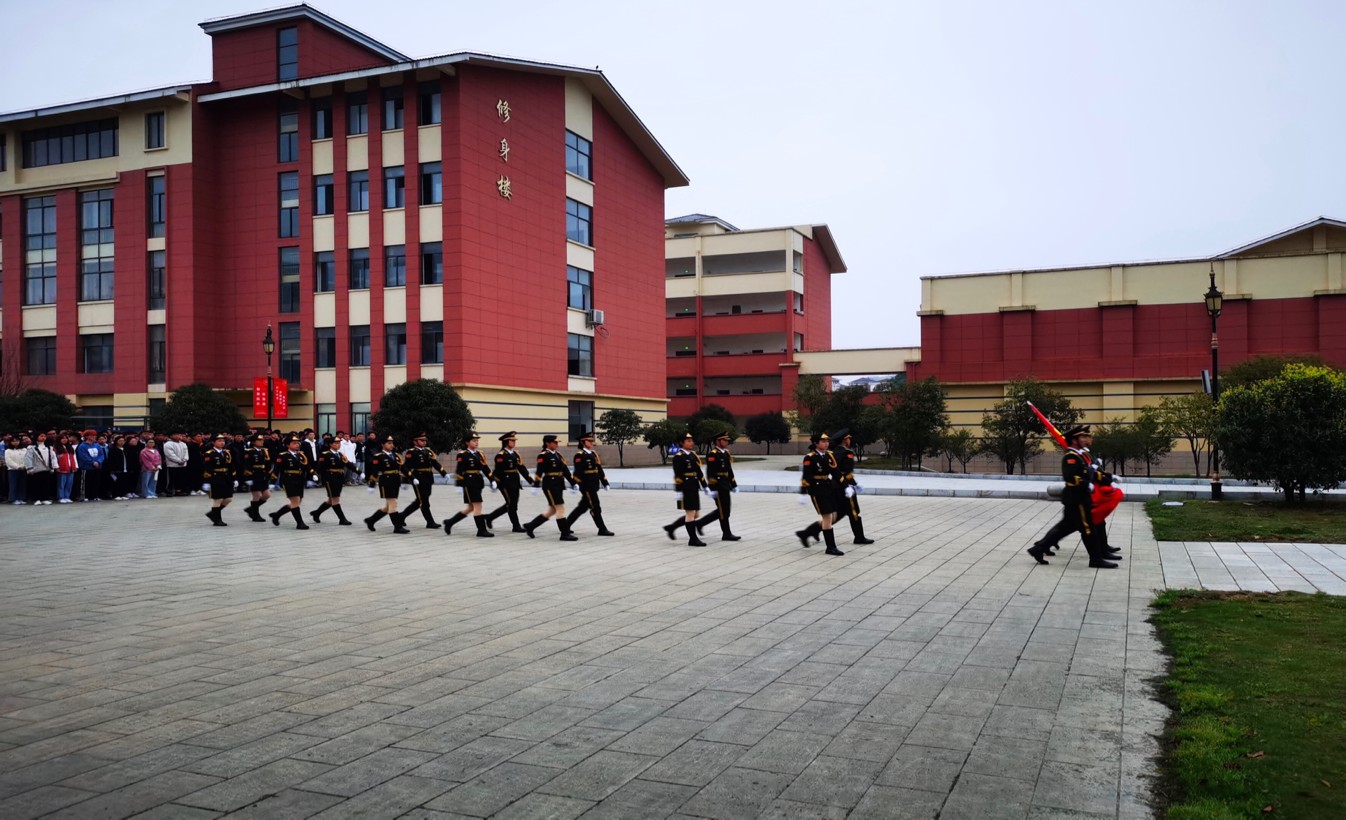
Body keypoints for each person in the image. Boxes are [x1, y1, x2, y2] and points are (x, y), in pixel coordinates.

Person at [1028, 426, 1117, 569]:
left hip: (1077, 498)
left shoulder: (1080, 455)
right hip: (1077, 498)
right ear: (1074, 440)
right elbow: (1070, 477)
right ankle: (1096, 559)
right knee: (1088, 528)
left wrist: (1108, 479)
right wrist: (1086, 484)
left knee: (1065, 527)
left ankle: (1038, 548)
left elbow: (1088, 472)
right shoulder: (1071, 457)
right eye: (1082, 437)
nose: (1086, 439)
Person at [795, 433, 845, 556]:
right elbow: (806, 476)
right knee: (827, 518)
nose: (826, 443)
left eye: (827, 441)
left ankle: (805, 533)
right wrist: (803, 493)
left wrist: (846, 486)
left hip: (828, 488)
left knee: (833, 516)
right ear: (816, 443)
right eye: (823, 441)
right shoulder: (810, 457)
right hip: (817, 490)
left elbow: (836, 472)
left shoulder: (829, 455)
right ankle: (831, 547)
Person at [523, 435, 579, 540]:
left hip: (559, 484)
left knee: (552, 510)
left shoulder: (558, 455)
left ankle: (530, 526)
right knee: (560, 508)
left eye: (557, 442)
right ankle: (564, 534)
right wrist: (536, 485)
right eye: (554, 442)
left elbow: (565, 470)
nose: (557, 444)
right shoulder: (543, 455)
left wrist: (573, 483)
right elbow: (539, 471)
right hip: (550, 485)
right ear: (547, 443)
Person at [443, 432, 494, 537]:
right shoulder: (462, 454)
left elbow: (485, 468)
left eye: (477, 440)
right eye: (474, 441)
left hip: (478, 482)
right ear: (467, 442)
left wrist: (492, 480)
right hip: (469, 482)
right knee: (478, 505)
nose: (476, 442)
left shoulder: (479, 454)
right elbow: (459, 470)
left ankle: (450, 522)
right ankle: (481, 530)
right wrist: (459, 485)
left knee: (471, 507)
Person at [662, 432, 709, 547]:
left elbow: (699, 472)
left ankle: (672, 527)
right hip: (685, 487)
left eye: (691, 440)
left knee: (696, 514)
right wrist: (678, 491)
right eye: (688, 441)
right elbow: (678, 476)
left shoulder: (693, 455)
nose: (691, 443)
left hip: (694, 486)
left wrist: (705, 486)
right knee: (690, 513)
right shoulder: (679, 457)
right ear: (681, 443)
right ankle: (693, 539)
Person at [565, 431, 614, 536]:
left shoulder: (593, 454)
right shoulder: (579, 456)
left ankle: (565, 526)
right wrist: (575, 484)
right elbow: (577, 472)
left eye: (592, 440)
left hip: (594, 485)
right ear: (583, 442)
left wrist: (605, 482)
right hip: (586, 486)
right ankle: (602, 529)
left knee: (582, 507)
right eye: (589, 441)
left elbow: (599, 469)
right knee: (595, 506)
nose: (592, 442)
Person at [694, 431, 741, 541]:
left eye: (727, 440)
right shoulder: (713, 454)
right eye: (724, 440)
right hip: (718, 486)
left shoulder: (726, 454)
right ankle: (726, 534)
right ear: (717, 441)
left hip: (725, 484)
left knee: (725, 510)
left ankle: (700, 523)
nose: (727, 442)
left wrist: (734, 484)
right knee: (723, 510)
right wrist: (713, 487)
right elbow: (710, 473)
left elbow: (729, 470)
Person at [485, 432, 535, 533]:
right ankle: (516, 526)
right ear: (506, 442)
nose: (514, 442)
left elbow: (522, 468)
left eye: (514, 440)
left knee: (512, 504)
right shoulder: (501, 455)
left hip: (515, 482)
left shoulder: (515, 454)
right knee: (511, 504)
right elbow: (497, 471)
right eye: (512, 440)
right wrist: (494, 482)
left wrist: (531, 481)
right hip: (505, 483)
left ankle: (490, 517)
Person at [397, 432, 448, 530]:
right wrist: (405, 480)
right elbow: (406, 467)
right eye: (421, 440)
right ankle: (430, 522)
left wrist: (444, 473)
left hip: (428, 478)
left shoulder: (428, 451)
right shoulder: (411, 452)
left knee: (420, 501)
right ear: (415, 442)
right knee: (423, 501)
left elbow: (435, 463)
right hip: (418, 478)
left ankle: (401, 516)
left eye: (425, 440)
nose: (424, 442)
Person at [831, 429, 874, 545]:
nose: (850, 440)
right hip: (845, 487)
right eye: (848, 438)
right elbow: (843, 472)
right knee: (854, 511)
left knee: (839, 513)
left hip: (838, 485)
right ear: (845, 440)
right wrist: (851, 485)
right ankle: (859, 537)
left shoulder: (835, 452)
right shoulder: (846, 453)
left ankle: (810, 531)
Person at [365, 435, 409, 533]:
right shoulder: (378, 456)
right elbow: (374, 471)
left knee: (388, 506)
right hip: (386, 481)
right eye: (389, 443)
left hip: (395, 481)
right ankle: (397, 527)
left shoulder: (396, 455)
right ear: (383, 445)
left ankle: (371, 520)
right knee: (393, 503)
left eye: (392, 443)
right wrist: (372, 484)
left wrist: (408, 479)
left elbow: (403, 468)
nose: (391, 445)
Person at [269, 435, 312, 529]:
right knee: (295, 501)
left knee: (297, 502)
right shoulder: (283, 455)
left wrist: (312, 475)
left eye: (298, 443)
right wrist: (272, 482)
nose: (297, 445)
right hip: (289, 480)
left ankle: (277, 515)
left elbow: (306, 466)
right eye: (294, 443)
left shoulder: (301, 455)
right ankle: (300, 523)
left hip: (300, 479)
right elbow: (277, 469)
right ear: (288, 445)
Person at [311, 436, 357, 525]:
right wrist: (315, 475)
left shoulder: (340, 454)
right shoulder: (325, 454)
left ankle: (317, 513)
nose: (338, 445)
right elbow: (320, 466)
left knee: (330, 500)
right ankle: (342, 519)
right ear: (330, 444)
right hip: (330, 478)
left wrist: (359, 472)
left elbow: (348, 464)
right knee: (335, 499)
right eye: (335, 443)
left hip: (339, 477)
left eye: (339, 443)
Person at [202, 433, 236, 526]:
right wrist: (206, 482)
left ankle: (212, 514)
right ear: (213, 442)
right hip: (215, 478)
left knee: (228, 498)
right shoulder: (209, 454)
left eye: (223, 441)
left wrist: (234, 478)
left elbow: (231, 466)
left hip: (226, 477)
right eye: (219, 441)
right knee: (218, 499)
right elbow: (207, 468)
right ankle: (217, 520)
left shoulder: (226, 453)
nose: (222, 443)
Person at [239, 434, 273, 521]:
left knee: (267, 495)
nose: (262, 442)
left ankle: (251, 509)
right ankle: (256, 515)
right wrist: (248, 478)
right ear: (254, 442)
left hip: (263, 474)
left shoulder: (264, 451)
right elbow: (246, 465)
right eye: (259, 440)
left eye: (262, 440)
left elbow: (268, 464)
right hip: (254, 475)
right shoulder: (249, 451)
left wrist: (269, 475)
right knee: (257, 495)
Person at [26, 432, 56, 505]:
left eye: (44, 436)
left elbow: (53, 458)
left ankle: (45, 498)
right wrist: (29, 468)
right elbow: (28, 458)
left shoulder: (49, 447)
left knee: (46, 484)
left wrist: (53, 467)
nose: (43, 438)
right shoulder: (31, 448)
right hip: (35, 469)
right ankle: (36, 499)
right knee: (36, 484)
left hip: (46, 468)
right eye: (41, 436)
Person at [75, 430, 106, 502]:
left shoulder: (97, 445)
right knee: (86, 482)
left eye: (95, 435)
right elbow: (83, 456)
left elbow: (101, 455)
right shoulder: (82, 446)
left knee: (96, 482)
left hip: (97, 467)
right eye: (92, 435)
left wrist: (98, 462)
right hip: (86, 467)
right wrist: (92, 462)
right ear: (87, 436)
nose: (94, 437)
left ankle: (94, 495)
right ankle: (85, 496)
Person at [105, 434, 133, 500]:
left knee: (124, 482)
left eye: (123, 441)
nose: (122, 442)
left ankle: (122, 494)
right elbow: (111, 460)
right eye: (120, 440)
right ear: (116, 441)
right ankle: (115, 495)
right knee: (116, 482)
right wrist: (112, 469)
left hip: (125, 469)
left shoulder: (125, 449)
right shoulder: (113, 450)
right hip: (116, 469)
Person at [164, 432, 189, 497]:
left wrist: (185, 459)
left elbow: (186, 453)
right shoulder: (168, 444)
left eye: (179, 434)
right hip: (172, 465)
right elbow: (170, 455)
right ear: (171, 436)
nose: (178, 436)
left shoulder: (183, 444)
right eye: (176, 435)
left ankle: (179, 491)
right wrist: (179, 460)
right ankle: (170, 491)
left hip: (182, 464)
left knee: (180, 479)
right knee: (172, 479)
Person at [55, 434, 78, 503]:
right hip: (62, 468)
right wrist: (56, 467)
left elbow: (74, 458)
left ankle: (67, 496)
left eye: (66, 438)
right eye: (63, 438)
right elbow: (54, 459)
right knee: (61, 484)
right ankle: (61, 497)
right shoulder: (56, 448)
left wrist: (75, 466)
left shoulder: (70, 448)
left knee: (69, 483)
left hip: (71, 468)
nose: (65, 439)